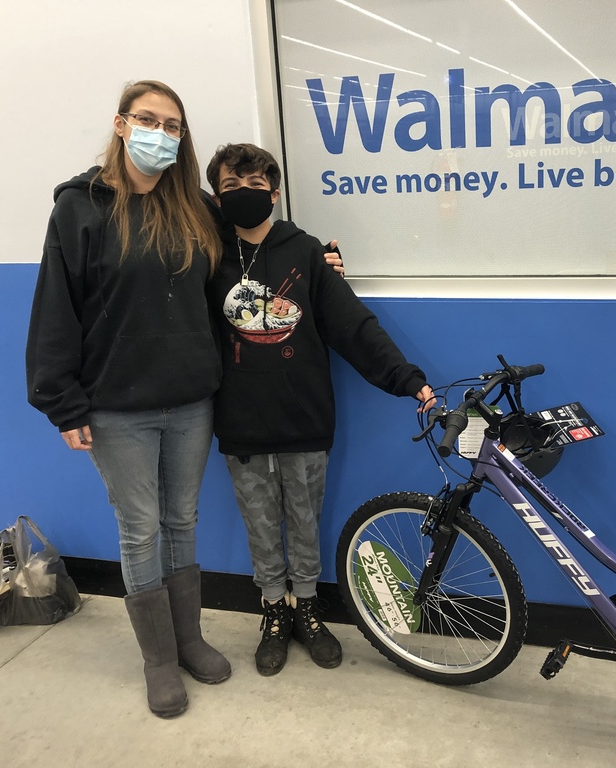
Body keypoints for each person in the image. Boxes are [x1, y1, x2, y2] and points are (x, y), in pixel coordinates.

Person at [25, 80, 233, 718]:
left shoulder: (195, 206)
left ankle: (190, 638)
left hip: (191, 400)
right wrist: (63, 402)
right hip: (116, 407)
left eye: (173, 126)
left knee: (182, 522)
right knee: (140, 531)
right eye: (149, 120)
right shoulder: (79, 208)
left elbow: (225, 293)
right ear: (120, 125)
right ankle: (159, 660)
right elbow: (56, 310)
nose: (162, 134)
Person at [205, 143, 435, 676]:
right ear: (216, 196)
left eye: (254, 186)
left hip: (304, 416)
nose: (243, 196)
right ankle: (273, 610)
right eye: (230, 188)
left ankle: (307, 606)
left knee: (304, 520)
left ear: (276, 193)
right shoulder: (206, 256)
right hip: (240, 422)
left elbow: (353, 326)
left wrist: (408, 381)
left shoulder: (306, 252)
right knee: (261, 524)